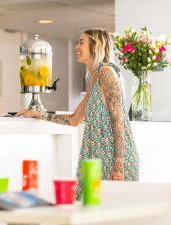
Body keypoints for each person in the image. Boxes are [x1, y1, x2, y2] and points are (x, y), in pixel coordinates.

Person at [17, 29, 139, 198]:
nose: (76, 47)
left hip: (113, 159)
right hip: (95, 158)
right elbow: (74, 120)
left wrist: (119, 163)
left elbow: (118, 119)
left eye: (81, 42)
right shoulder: (96, 79)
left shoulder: (106, 73)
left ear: (96, 47)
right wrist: (39, 114)